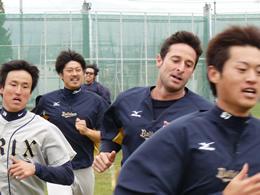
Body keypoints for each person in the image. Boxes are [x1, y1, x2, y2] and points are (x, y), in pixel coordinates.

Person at [114, 25, 260, 195]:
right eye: (242, 69)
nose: (251, 78)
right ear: (215, 74)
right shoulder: (180, 133)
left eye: (258, 71)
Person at [92, 31, 214, 177]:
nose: (181, 69)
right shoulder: (128, 100)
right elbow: (111, 133)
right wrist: (106, 151)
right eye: (175, 60)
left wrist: (185, 146)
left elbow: (213, 162)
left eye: (188, 65)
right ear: (159, 60)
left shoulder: (205, 112)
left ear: (192, 72)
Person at [32, 49, 109, 195]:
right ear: (61, 75)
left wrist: (87, 131)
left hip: (84, 167)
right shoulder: (46, 100)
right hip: (56, 167)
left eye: (78, 70)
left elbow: (105, 135)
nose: (75, 74)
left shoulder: (96, 101)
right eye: (70, 70)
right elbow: (30, 126)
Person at [0, 60, 76, 195]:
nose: (18, 91)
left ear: (30, 93)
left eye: (25, 86)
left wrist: (36, 169)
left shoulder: (44, 128)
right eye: (13, 84)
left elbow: (67, 175)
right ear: (1, 88)